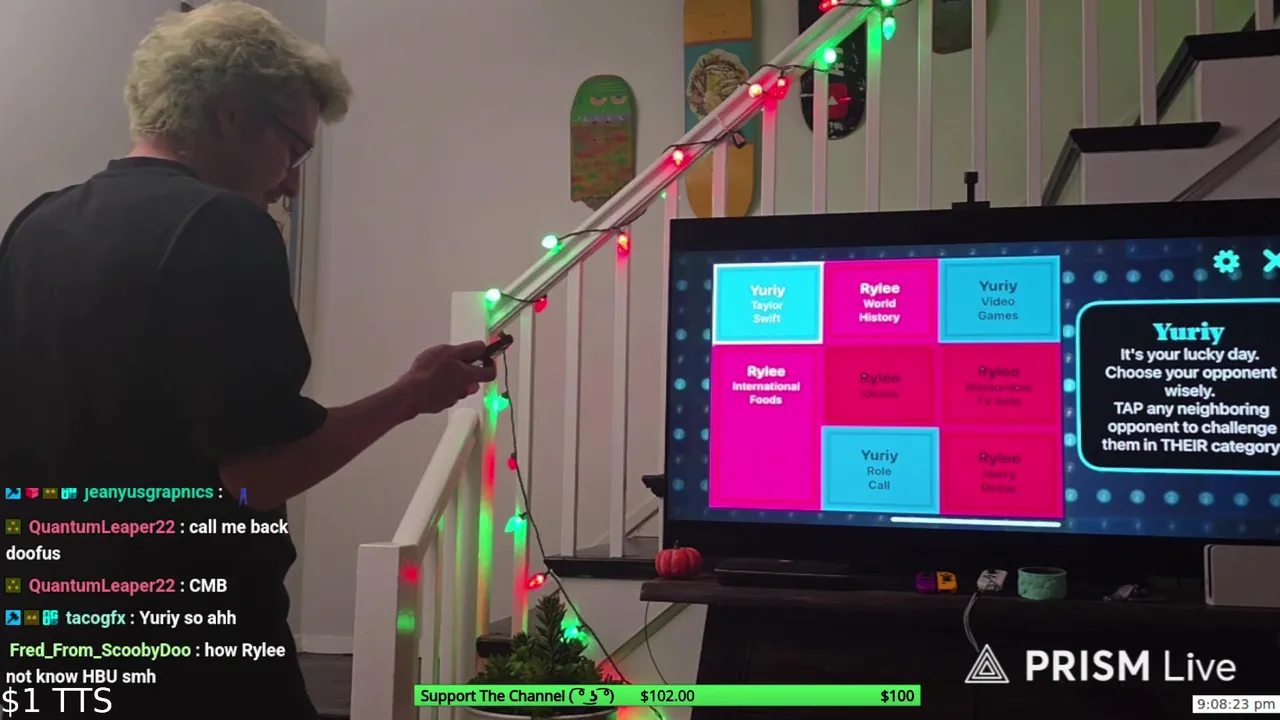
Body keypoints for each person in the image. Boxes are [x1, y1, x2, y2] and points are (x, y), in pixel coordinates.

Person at [0, 2, 495, 717]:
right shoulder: (222, 224)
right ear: (231, 114)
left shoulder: (35, 225)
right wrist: (410, 395)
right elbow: (258, 477)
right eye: (294, 150)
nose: (290, 182)